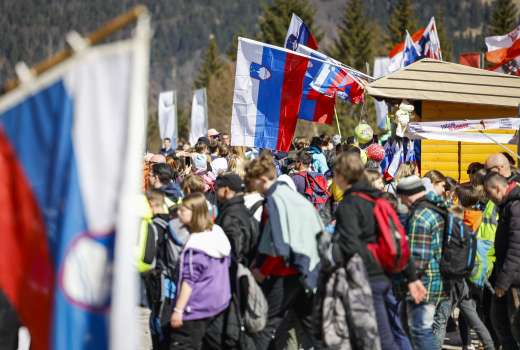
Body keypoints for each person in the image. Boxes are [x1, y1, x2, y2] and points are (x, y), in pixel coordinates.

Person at [331, 153, 425, 350]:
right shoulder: (378, 199)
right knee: (389, 332)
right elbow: (397, 239)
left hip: (364, 279)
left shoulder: (349, 204)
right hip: (386, 275)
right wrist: (412, 278)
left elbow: (349, 246)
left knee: (379, 339)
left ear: (341, 176)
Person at [245, 154, 324, 350]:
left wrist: (262, 271)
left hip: (285, 272)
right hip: (304, 269)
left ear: (261, 179)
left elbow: (277, 243)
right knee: (312, 328)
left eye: (251, 181)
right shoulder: (291, 197)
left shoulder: (274, 200)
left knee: (265, 325)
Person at [170, 193, 232, 350]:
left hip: (194, 309)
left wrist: (178, 310)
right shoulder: (217, 233)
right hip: (218, 305)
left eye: (183, 209)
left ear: (194, 212)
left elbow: (188, 281)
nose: (179, 212)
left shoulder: (195, 246)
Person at [396, 175, 451, 350]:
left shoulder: (420, 216)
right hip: (435, 278)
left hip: (424, 281)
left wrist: (410, 279)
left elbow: (418, 257)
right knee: (418, 328)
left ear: (408, 195)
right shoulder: (436, 207)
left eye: (401, 197)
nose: (401, 202)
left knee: (420, 330)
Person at [484, 172, 520, 349]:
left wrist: (503, 282)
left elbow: (516, 248)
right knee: (499, 321)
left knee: (514, 327)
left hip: (514, 281)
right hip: (507, 277)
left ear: (497, 188)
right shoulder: (508, 205)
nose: (488, 198)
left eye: (488, 193)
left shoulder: (515, 206)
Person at [215, 172, 257, 266]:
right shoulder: (243, 209)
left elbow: (236, 250)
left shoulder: (231, 216)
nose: (216, 192)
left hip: (234, 272)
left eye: (217, 189)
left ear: (226, 190)